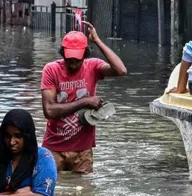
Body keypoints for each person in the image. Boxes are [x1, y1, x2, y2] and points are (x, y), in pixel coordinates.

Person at [41, 22, 127, 174]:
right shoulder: (51, 70)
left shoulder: (93, 66)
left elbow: (120, 70)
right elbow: (49, 110)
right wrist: (85, 101)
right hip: (54, 147)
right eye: (69, 60)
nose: (73, 65)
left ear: (85, 55)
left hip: (83, 150)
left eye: (77, 60)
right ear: (63, 54)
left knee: (84, 193)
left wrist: (97, 41)